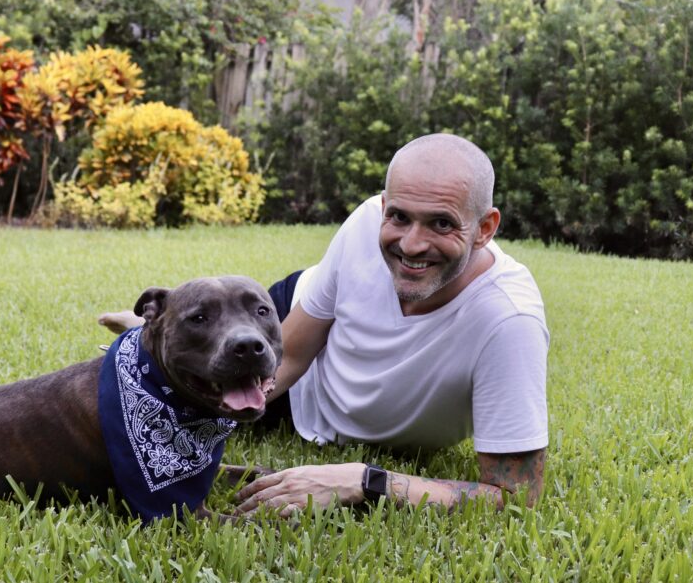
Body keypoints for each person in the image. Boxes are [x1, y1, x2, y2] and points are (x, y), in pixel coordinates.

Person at [99, 134, 549, 517]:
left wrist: (366, 480)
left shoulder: (508, 322)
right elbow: (290, 353)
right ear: (383, 207)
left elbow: (514, 496)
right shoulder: (362, 227)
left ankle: (149, 329)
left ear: (486, 227)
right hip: (286, 340)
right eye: (399, 217)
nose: (412, 244)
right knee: (160, 385)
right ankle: (151, 331)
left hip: (320, 397)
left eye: (441, 223)